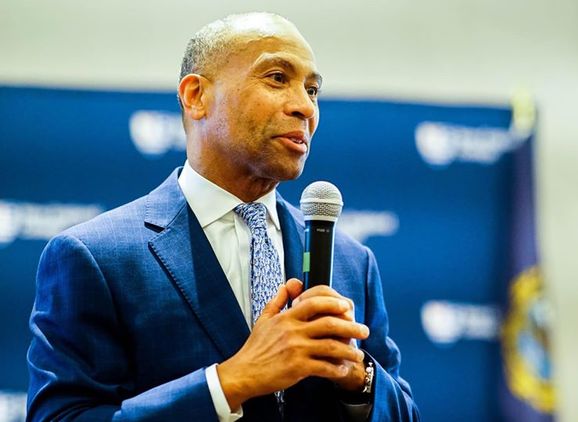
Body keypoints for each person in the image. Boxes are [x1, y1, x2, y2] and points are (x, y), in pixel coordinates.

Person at [26, 12, 419, 422]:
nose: (305, 107)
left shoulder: (353, 262)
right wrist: (228, 383)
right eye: (277, 78)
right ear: (196, 96)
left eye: (313, 89)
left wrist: (359, 378)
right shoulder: (96, 258)